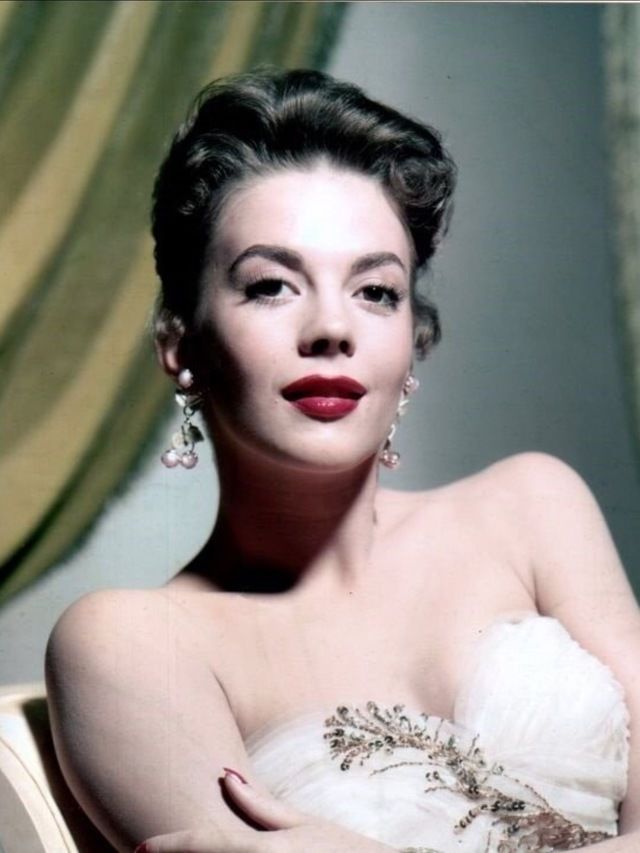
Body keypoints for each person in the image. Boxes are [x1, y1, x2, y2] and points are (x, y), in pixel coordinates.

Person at [45, 68, 639, 853]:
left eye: (376, 291)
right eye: (271, 285)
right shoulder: (130, 644)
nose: (332, 327)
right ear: (180, 344)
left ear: (412, 340)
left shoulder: (534, 507)